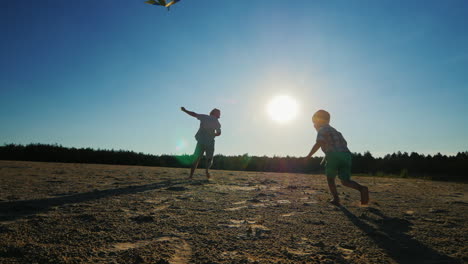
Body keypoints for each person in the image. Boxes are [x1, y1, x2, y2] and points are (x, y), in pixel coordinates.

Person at [305, 110, 369, 206]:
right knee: (345, 181)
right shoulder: (336, 131)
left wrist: (309, 156)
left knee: (330, 179)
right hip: (346, 156)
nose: (314, 125)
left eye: (314, 123)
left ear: (318, 121)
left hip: (333, 156)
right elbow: (344, 143)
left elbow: (319, 143)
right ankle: (362, 189)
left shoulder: (322, 130)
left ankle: (336, 199)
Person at [181, 107, 221, 179]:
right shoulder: (215, 122)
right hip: (209, 142)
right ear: (214, 113)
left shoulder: (206, 117)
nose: (219, 114)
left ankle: (191, 175)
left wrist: (185, 110)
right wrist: (213, 134)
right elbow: (219, 133)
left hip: (202, 141)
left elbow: (194, 114)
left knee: (196, 159)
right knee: (208, 159)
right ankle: (206, 171)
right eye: (218, 113)